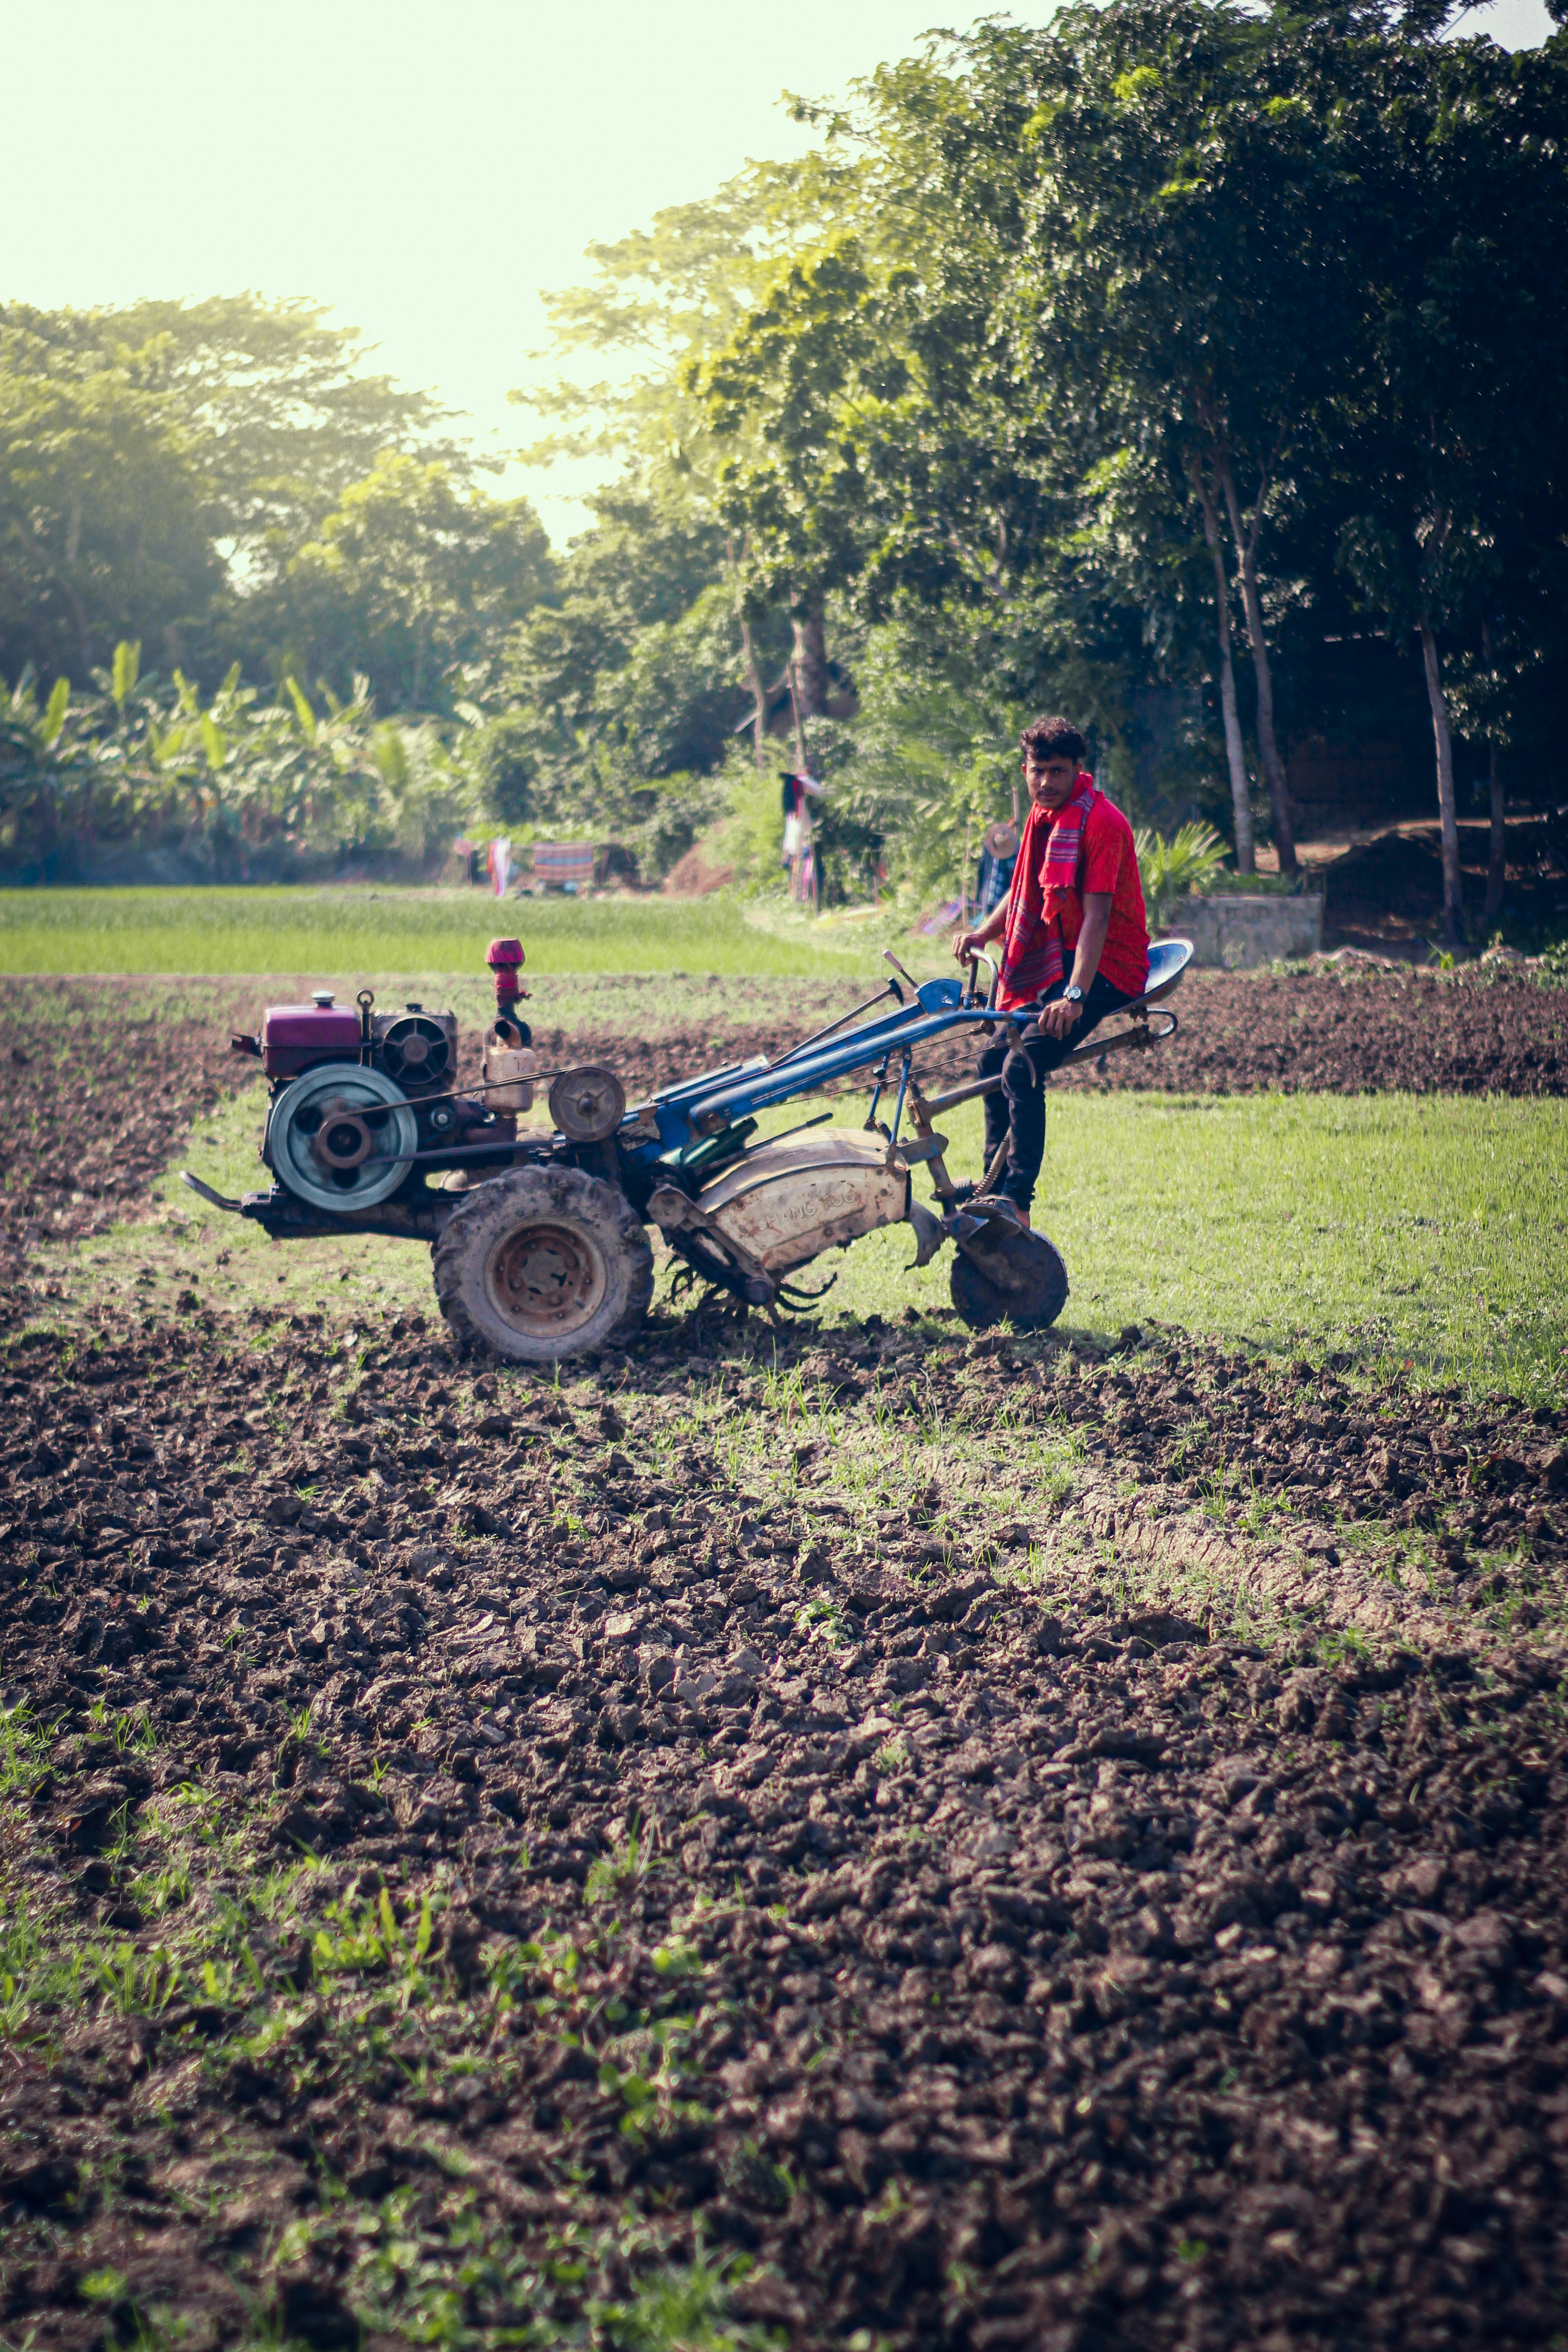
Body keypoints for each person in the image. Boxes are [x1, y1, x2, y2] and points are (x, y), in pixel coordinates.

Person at [953, 715, 1150, 1225]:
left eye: (1057, 771)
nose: (1046, 782)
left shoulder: (1099, 824)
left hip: (1106, 966)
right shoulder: (1043, 818)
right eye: (1038, 771)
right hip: (1064, 960)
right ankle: (990, 1184)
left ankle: (1017, 1201)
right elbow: (1024, 895)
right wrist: (981, 933)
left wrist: (1076, 995)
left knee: (1024, 1067)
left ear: (1078, 771)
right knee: (990, 1065)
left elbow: (1098, 917)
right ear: (1025, 770)